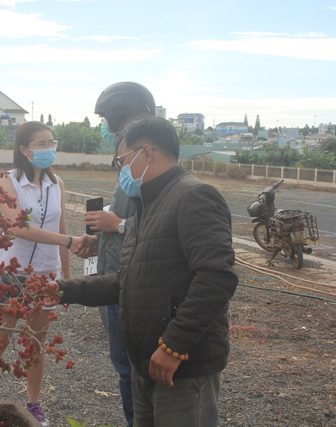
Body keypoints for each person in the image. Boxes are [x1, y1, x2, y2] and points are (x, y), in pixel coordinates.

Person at [55, 116, 238, 426]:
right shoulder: (147, 207)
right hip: (147, 363)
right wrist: (63, 290)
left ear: (147, 153)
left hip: (180, 367)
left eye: (122, 161)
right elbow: (127, 282)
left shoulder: (194, 196)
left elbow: (216, 278)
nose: (120, 170)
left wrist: (174, 346)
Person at [0, 121, 81, 426]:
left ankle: (34, 404)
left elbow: (62, 229)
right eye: (41, 144)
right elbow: (16, 226)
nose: (48, 149)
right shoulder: (7, 182)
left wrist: (67, 280)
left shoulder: (56, 183)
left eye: (51, 142)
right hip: (12, 275)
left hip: (47, 276)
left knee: (36, 343)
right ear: (23, 149)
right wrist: (67, 241)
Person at [76, 81, 156, 427]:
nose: (110, 130)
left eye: (113, 121)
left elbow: (157, 227)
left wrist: (117, 224)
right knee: (126, 369)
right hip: (115, 277)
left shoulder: (151, 167)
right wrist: (102, 237)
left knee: (138, 371)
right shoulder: (128, 167)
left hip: (137, 285)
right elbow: (126, 221)